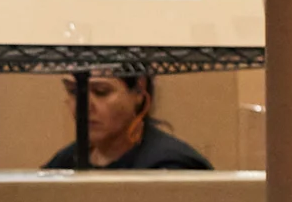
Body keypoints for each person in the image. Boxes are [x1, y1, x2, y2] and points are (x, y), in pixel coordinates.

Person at [44, 59, 213, 170]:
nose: (84, 106)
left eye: (101, 92)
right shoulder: (65, 162)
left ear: (139, 91)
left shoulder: (172, 167)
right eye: (74, 91)